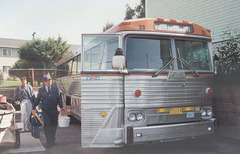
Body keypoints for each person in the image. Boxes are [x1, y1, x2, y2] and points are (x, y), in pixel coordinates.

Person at [32, 74, 65, 148]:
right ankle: (48, 142)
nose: (49, 82)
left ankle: (52, 139)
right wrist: (33, 108)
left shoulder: (55, 89)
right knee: (47, 126)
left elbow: (58, 98)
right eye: (47, 81)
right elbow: (37, 100)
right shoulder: (41, 90)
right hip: (46, 111)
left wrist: (61, 106)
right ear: (44, 82)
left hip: (54, 110)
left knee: (54, 125)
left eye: (50, 80)